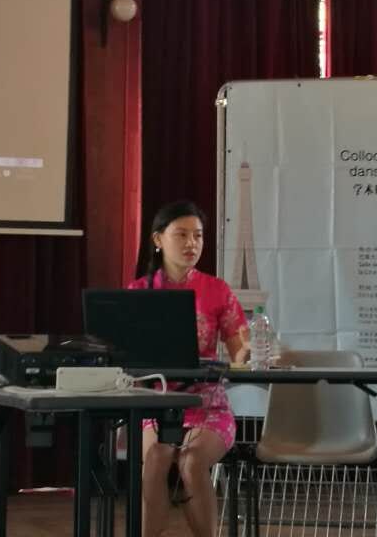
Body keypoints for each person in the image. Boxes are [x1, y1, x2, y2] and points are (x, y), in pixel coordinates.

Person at [128, 200, 248, 537]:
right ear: (158, 239)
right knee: (156, 458)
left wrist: (248, 352)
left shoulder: (217, 290)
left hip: (207, 404)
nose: (191, 243)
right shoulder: (138, 292)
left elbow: (240, 351)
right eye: (181, 234)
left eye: (198, 235)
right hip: (155, 402)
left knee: (192, 461)